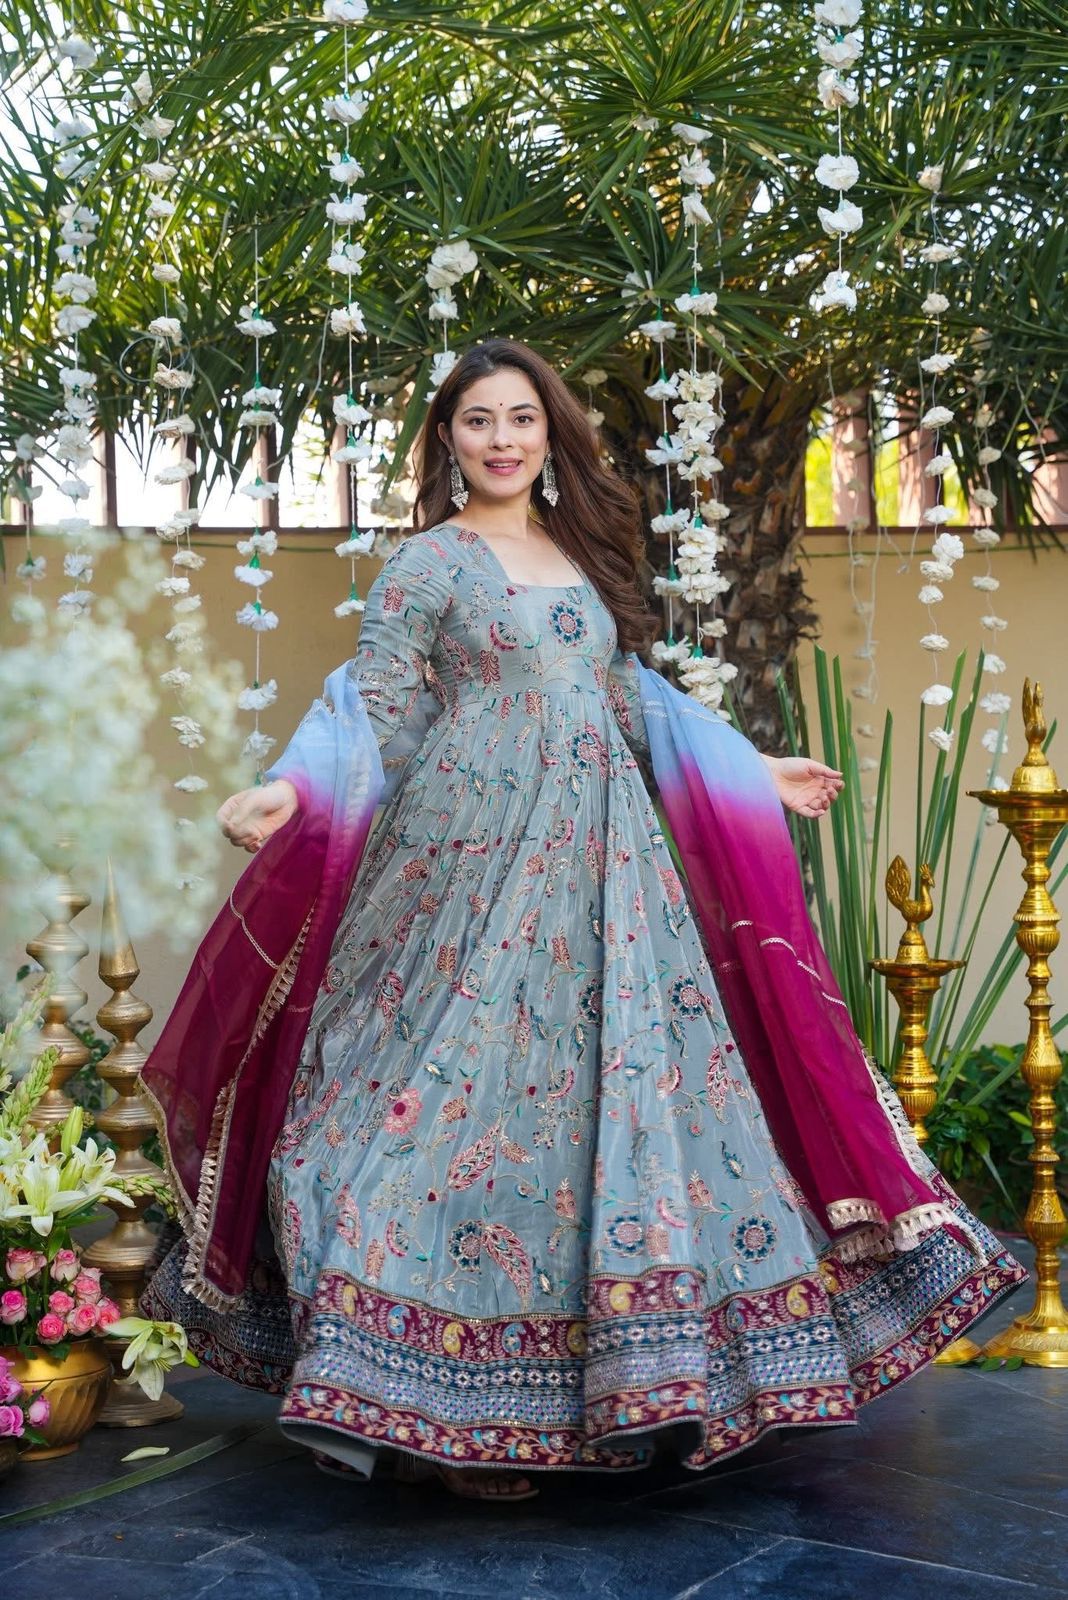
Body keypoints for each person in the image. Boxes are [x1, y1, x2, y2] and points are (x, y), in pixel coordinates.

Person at [141, 338, 1024, 1502]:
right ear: (446, 441)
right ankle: (425, 1394)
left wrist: (750, 772)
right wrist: (294, 788)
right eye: (476, 422)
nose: (501, 439)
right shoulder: (428, 565)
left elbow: (627, 702)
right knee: (429, 1103)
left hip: (607, 878)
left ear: (549, 433)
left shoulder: (578, 558)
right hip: (462, 866)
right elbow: (379, 706)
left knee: (596, 1110)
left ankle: (609, 1389)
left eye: (520, 419)